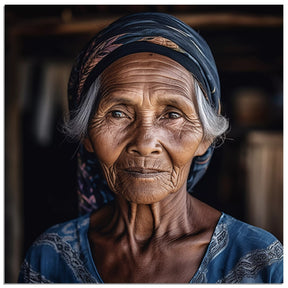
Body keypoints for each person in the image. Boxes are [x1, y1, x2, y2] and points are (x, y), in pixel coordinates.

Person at [18, 12, 283, 283]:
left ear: (205, 138)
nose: (145, 144)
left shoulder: (260, 261)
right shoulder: (49, 258)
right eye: (118, 113)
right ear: (87, 134)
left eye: (172, 114)